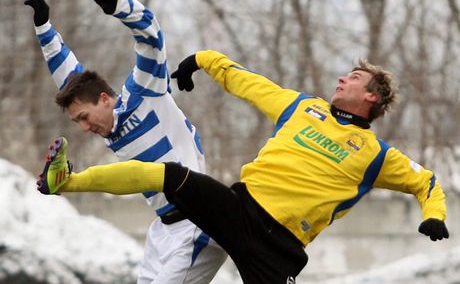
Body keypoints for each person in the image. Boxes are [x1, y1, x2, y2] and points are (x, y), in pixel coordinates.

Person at [37, 50, 449, 284]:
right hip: (239, 207)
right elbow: (247, 81)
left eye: (354, 77)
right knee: (163, 173)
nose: (342, 78)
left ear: (372, 97)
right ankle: (67, 181)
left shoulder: (376, 155)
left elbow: (427, 182)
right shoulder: (303, 108)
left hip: (278, 248)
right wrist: (201, 60)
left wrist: (434, 216)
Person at [25, 0, 227, 284]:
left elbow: (151, 36)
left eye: (84, 117)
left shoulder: (146, 91)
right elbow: (68, 75)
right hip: (164, 230)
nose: (84, 127)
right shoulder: (107, 123)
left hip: (197, 223)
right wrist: (44, 28)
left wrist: (121, 5)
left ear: (105, 98)